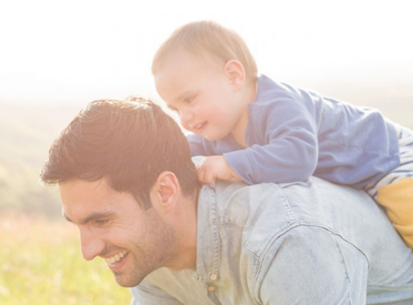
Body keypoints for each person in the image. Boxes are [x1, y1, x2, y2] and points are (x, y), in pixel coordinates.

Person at [41, 97, 413, 304]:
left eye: (101, 221)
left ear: (166, 192)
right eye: (78, 224)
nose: (88, 251)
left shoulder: (286, 240)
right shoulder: (151, 250)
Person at [151, 20, 413, 248]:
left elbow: (299, 155)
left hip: (385, 155)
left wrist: (230, 165)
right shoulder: (220, 126)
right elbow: (190, 150)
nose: (185, 117)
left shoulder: (277, 104)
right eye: (175, 108)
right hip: (357, 176)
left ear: (233, 76)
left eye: (190, 99)